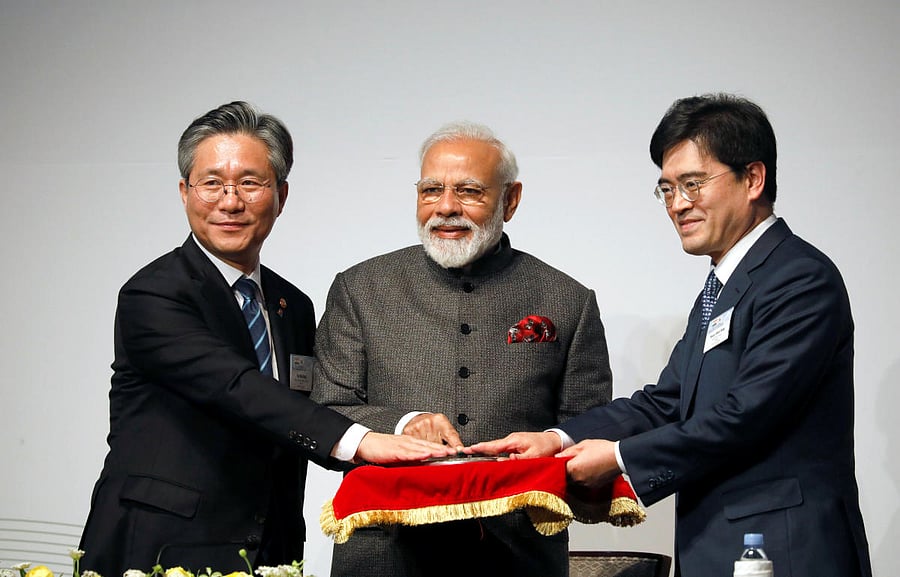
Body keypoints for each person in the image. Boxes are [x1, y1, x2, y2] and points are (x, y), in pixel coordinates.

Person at [470, 94, 873, 577]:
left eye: (693, 184)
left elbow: (746, 416)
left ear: (753, 179)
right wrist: (557, 440)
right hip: (721, 547)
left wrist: (617, 457)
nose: (678, 204)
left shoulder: (798, 278)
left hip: (785, 550)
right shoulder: (721, 287)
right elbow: (665, 402)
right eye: (667, 188)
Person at [78, 101, 453, 577]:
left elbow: (312, 405)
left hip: (269, 548)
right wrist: (360, 442)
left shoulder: (291, 305)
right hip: (162, 547)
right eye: (211, 182)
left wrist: (404, 426)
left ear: (281, 193)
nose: (230, 201)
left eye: (250, 183)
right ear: (184, 191)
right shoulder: (153, 294)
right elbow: (236, 388)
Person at [310, 121, 612, 577]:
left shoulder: (567, 300)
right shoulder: (360, 289)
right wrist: (402, 423)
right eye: (431, 189)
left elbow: (587, 429)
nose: (446, 207)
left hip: (517, 557)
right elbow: (326, 408)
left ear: (510, 200)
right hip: (383, 556)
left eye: (469, 191)